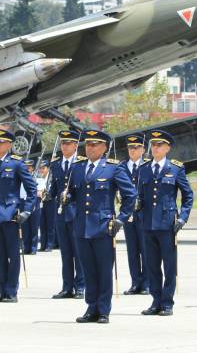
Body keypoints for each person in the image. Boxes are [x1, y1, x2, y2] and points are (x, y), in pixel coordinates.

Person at [66, 129, 136, 324]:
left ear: (104, 147)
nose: (90, 148)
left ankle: (103, 309)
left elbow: (131, 195)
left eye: (95, 144)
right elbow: (73, 192)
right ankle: (91, 308)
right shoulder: (78, 167)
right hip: (81, 227)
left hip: (104, 226)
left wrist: (121, 219)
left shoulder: (113, 168)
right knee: (88, 270)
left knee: (104, 270)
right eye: (88, 144)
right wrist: (67, 198)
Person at [137, 130, 193, 316]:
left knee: (169, 266)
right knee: (151, 266)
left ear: (168, 147)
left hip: (167, 224)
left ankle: (167, 303)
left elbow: (188, 195)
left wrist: (183, 217)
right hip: (148, 224)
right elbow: (138, 196)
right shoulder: (143, 169)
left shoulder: (175, 168)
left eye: (159, 145)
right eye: (153, 145)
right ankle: (155, 301)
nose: (155, 148)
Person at [0, 129, 37, 303]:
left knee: (13, 255)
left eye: (1, 142)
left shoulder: (16, 163)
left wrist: (27, 210)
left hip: (11, 214)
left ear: (9, 145)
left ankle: (11, 291)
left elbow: (31, 189)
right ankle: (1, 290)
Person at [50, 130, 85, 299]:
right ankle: (67, 286)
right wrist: (48, 194)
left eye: (68, 143)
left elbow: (83, 190)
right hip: (61, 213)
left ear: (75, 145)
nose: (64, 146)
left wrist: (70, 196)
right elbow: (55, 187)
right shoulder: (56, 164)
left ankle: (80, 286)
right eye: (63, 143)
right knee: (65, 252)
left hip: (76, 212)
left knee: (78, 252)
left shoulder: (81, 164)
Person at [122, 133, 149, 295]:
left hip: (144, 213)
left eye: (136, 147)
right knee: (132, 250)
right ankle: (135, 282)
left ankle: (146, 283)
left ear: (143, 149)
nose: (133, 150)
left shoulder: (147, 165)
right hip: (128, 213)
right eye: (130, 148)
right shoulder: (122, 166)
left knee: (145, 250)